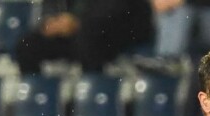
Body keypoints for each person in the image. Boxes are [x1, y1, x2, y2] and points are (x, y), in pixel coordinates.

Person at [14, 0, 153, 74]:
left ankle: (93, 93)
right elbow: (50, 8)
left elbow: (115, 9)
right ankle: (42, 100)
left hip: (113, 33)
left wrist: (77, 22)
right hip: (75, 33)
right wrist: (51, 22)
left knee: (89, 38)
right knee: (27, 45)